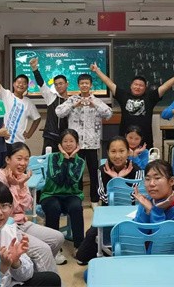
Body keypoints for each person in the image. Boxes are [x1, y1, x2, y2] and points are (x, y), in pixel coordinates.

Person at [0, 142, 66, 271]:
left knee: (58, 238)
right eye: (19, 158)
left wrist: (20, 185)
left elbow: (27, 206)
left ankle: (38, 271)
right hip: (6, 227)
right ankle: (46, 276)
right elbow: (7, 210)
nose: (23, 163)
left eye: (26, 159)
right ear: (8, 159)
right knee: (43, 250)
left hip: (21, 223)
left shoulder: (21, 176)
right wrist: (13, 185)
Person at [75, 136, 144, 265]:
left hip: (131, 216)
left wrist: (117, 181)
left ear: (128, 152)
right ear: (107, 152)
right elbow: (103, 196)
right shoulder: (102, 170)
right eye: (113, 151)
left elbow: (135, 198)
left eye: (121, 151)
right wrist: (117, 179)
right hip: (108, 215)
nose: (117, 156)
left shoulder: (137, 170)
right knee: (81, 257)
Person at [90, 62, 174, 148]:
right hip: (125, 139)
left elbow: (165, 86)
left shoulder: (150, 98)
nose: (137, 87)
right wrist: (97, 71)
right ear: (131, 86)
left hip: (145, 139)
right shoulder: (123, 96)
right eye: (135, 84)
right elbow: (109, 83)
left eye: (141, 85)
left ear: (145, 88)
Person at [55, 74, 112, 207]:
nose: (84, 85)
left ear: (90, 85)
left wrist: (94, 105)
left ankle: (94, 200)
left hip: (92, 144)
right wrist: (74, 105)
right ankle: (77, 199)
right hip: (76, 145)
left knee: (94, 173)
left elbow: (109, 114)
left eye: (87, 83)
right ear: (78, 85)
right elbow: (59, 112)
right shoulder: (72, 99)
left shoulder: (96, 100)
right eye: (82, 83)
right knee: (76, 173)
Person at [132, 160, 174, 254]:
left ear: (171, 181)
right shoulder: (147, 203)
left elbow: (164, 247)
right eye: (147, 179)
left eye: (157, 178)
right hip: (146, 257)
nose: (151, 184)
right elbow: (136, 237)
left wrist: (156, 212)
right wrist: (147, 212)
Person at [39, 129, 86, 251]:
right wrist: (65, 159)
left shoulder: (80, 161)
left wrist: (70, 160)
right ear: (60, 144)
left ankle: (79, 247)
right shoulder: (53, 158)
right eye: (65, 141)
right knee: (53, 207)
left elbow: (71, 181)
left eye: (71, 141)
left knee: (76, 207)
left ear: (77, 144)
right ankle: (54, 248)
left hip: (72, 194)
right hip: (51, 194)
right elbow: (58, 180)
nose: (68, 144)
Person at [0, 56, 41, 148]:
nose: (21, 85)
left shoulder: (28, 103)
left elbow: (37, 118)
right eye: (19, 82)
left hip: (19, 142)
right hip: (3, 139)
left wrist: (29, 134)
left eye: (24, 83)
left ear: (27, 87)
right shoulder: (6, 94)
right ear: (14, 84)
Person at [29, 57, 69, 153]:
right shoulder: (51, 97)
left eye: (61, 83)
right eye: (56, 84)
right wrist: (35, 69)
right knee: (48, 161)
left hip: (66, 139)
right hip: (51, 137)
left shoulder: (72, 101)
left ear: (67, 84)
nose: (58, 86)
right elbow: (41, 84)